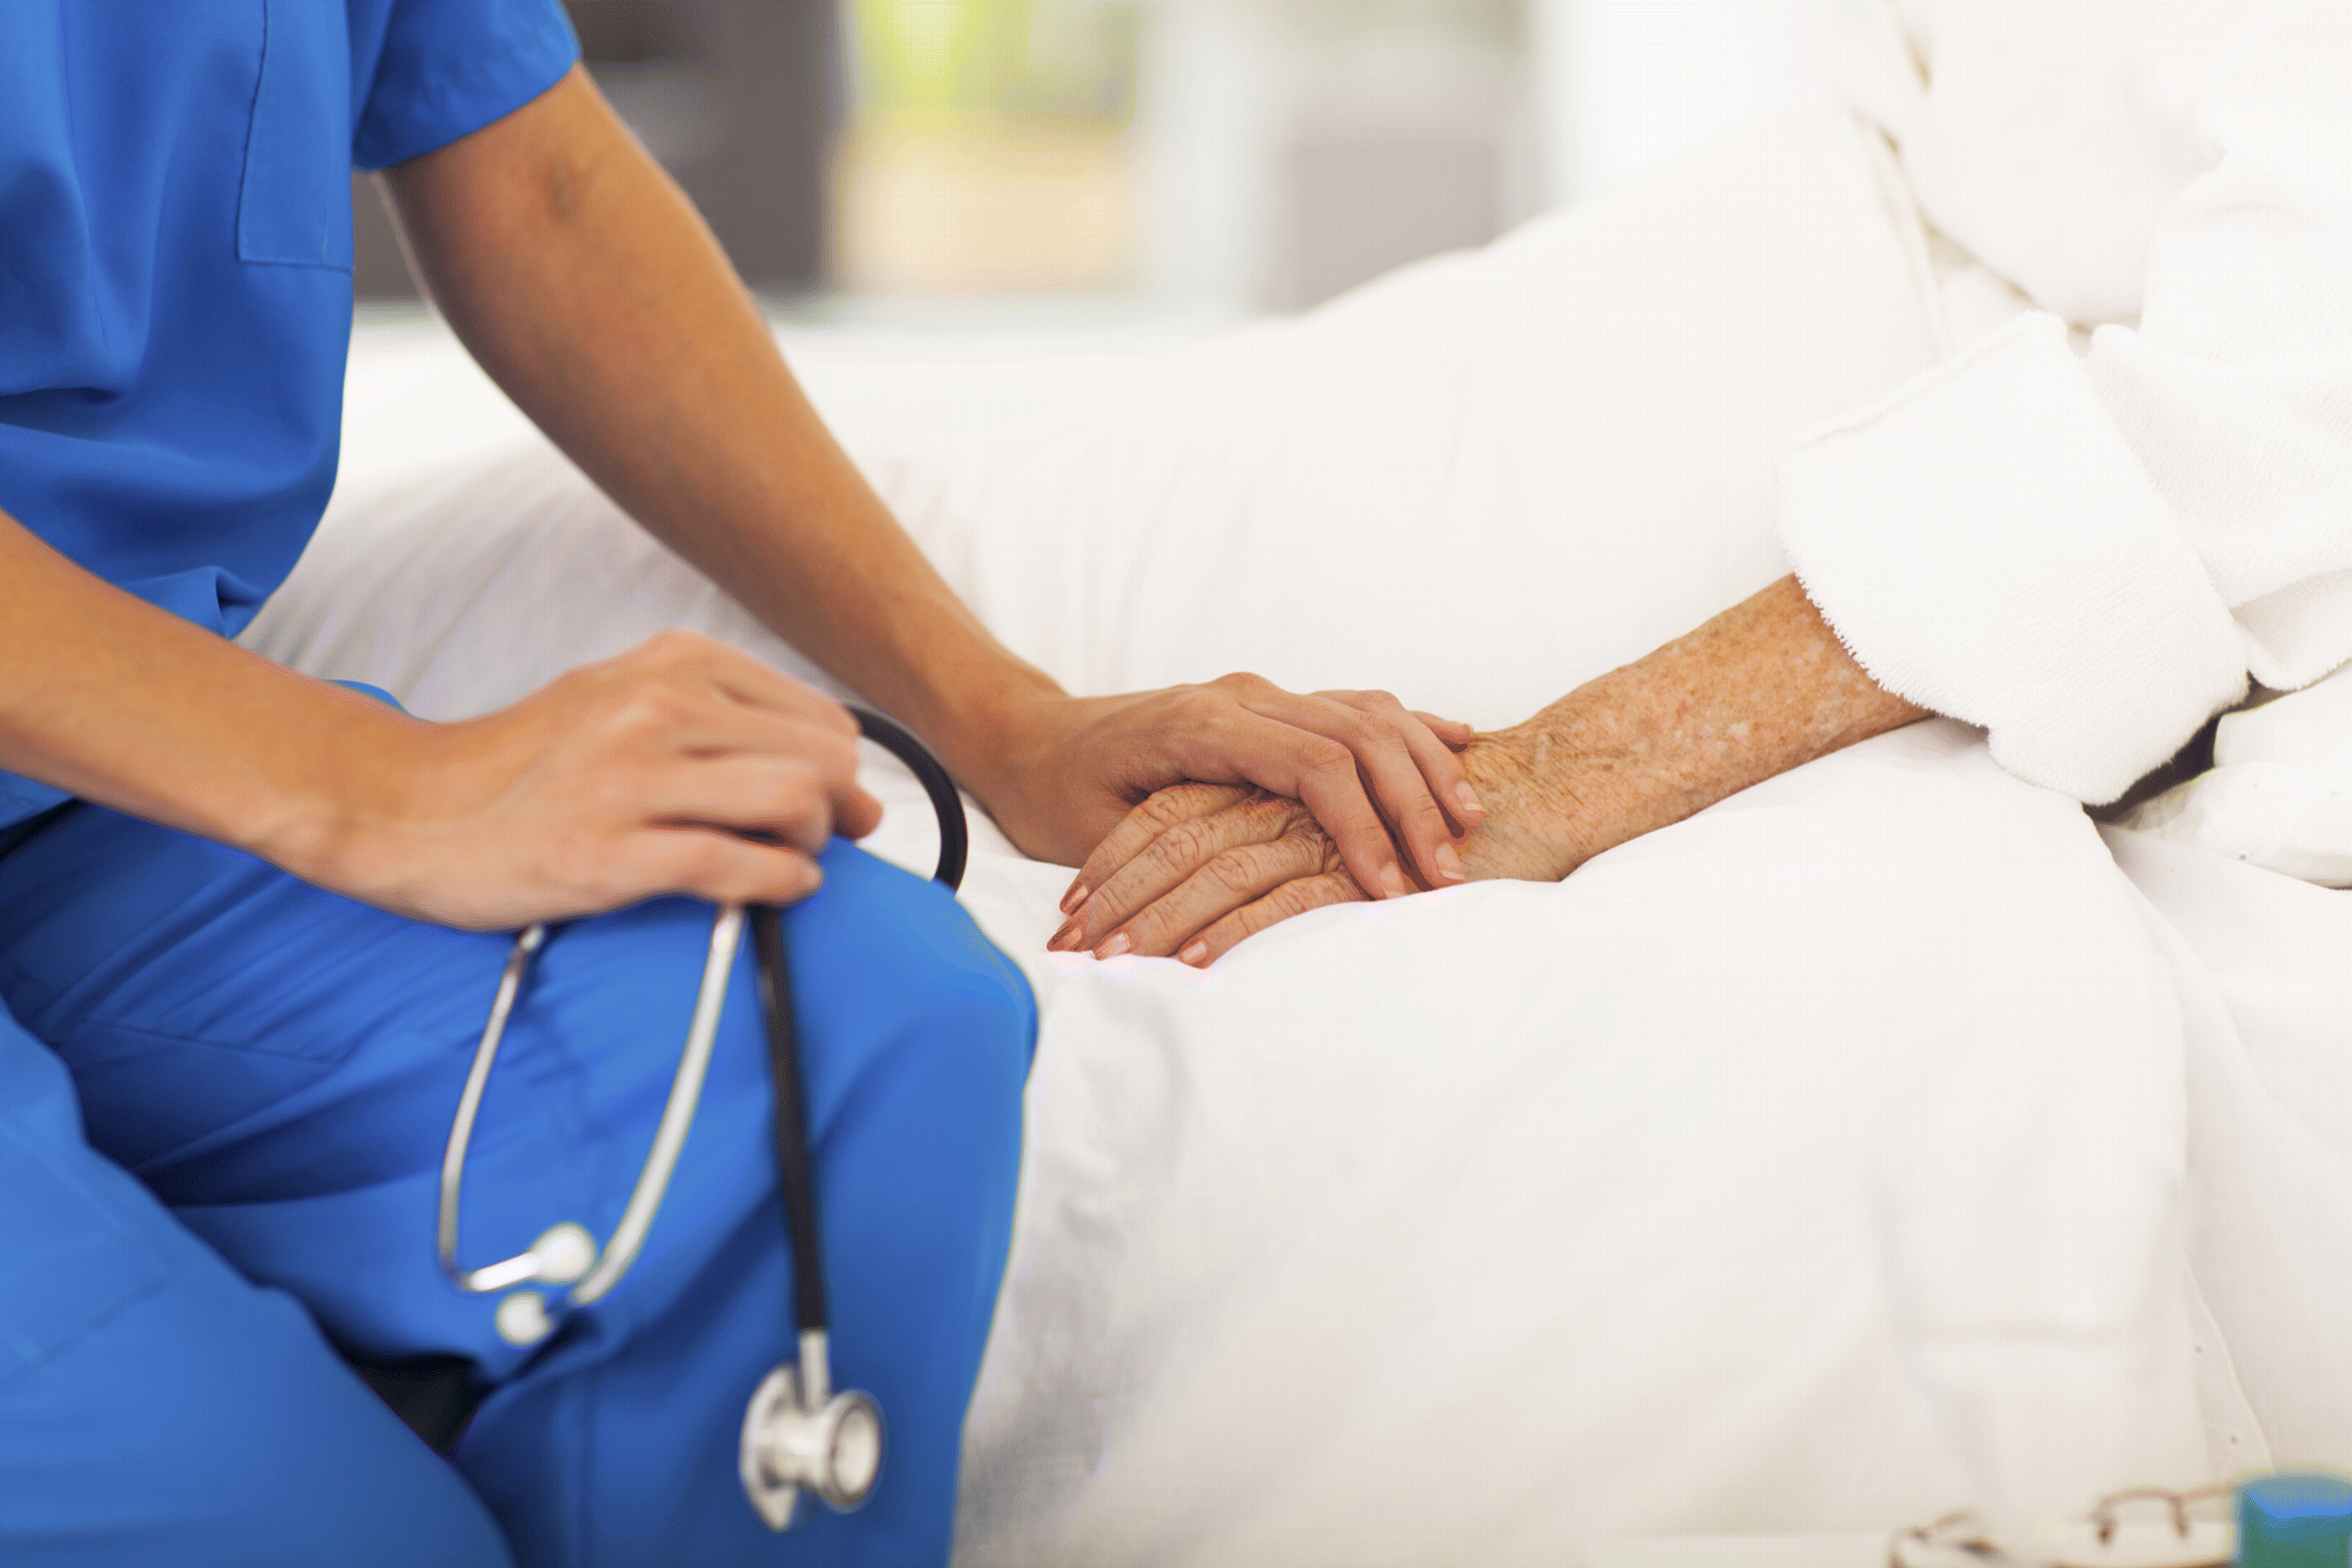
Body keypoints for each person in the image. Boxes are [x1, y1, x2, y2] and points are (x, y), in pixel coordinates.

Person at [0, 4, 1478, 1565]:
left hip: (123, 800)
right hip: (231, 771)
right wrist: (388, 789)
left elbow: (537, 178)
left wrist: (1005, 718)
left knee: (855, 1015)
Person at [1049, 0, 2352, 970]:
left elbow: (2286, 412)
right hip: (1798, 356)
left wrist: (1551, 777)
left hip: (1950, 514)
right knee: (1029, 547)